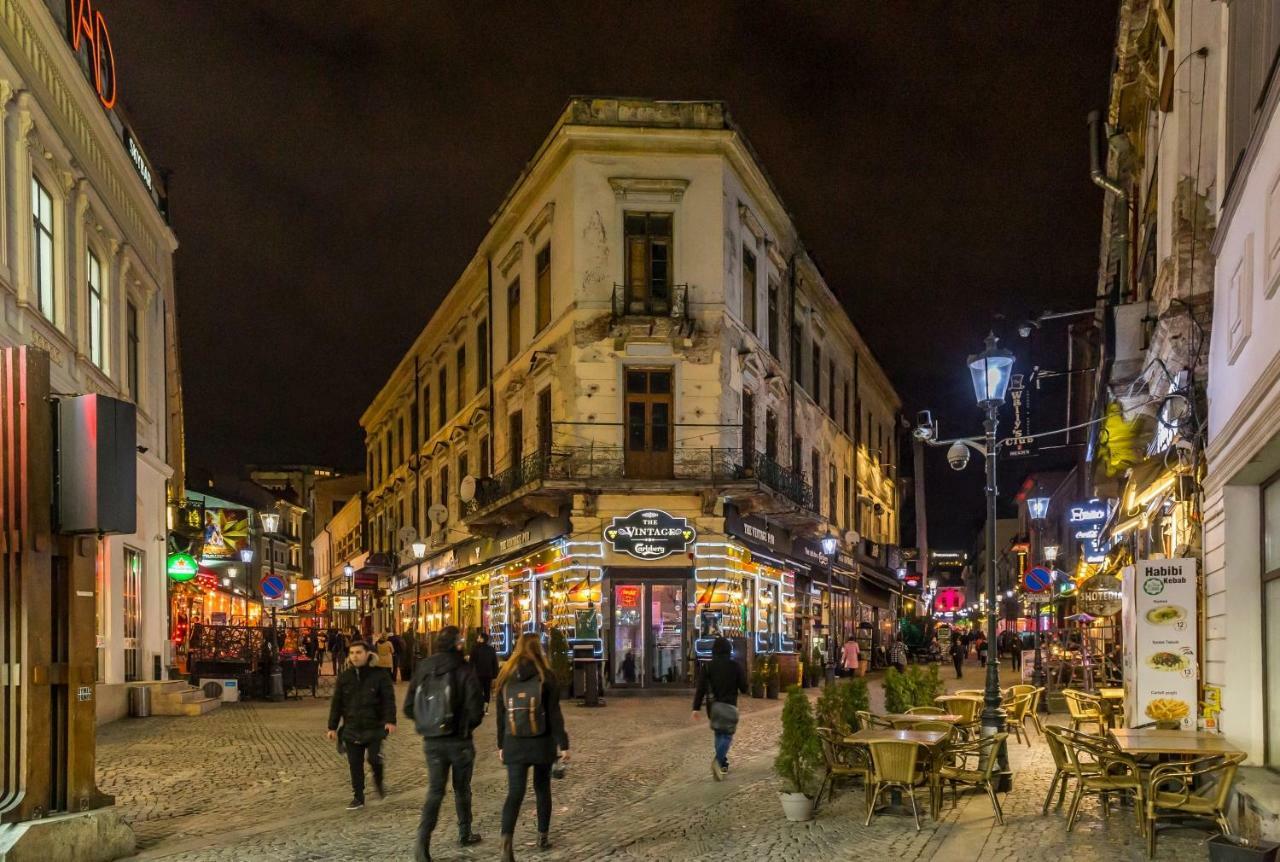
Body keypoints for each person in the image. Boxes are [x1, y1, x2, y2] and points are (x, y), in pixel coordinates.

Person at [405, 626, 485, 862]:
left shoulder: (424, 667)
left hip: (433, 742)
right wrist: (465, 727)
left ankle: (422, 841)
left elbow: (410, 706)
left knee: (435, 791)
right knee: (462, 788)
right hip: (459, 740)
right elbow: (476, 707)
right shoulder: (463, 667)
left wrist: (429, 723)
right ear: (458, 644)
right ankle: (464, 831)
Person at [495, 632, 570, 861]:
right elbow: (554, 714)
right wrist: (563, 744)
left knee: (515, 792)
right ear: (540, 649)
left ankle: (506, 841)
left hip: (514, 741)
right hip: (542, 741)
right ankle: (542, 836)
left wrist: (501, 744)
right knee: (541, 788)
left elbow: (501, 714)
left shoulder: (506, 675)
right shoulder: (546, 676)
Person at [326, 641, 396, 810]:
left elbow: (388, 699)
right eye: (352, 653)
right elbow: (337, 703)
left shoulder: (379, 675)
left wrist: (390, 720)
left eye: (358, 652)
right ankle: (358, 796)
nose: (355, 656)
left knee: (373, 758)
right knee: (355, 764)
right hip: (352, 727)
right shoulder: (345, 677)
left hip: (374, 726)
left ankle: (378, 781)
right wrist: (332, 727)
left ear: (367, 654)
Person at [691, 637, 748, 780]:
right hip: (729, 705)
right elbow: (744, 688)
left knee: (718, 733)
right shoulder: (735, 666)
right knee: (727, 735)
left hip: (713, 706)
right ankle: (718, 760)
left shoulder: (708, 667)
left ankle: (722, 763)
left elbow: (701, 689)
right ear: (729, 650)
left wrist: (696, 708)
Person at [469, 631, 500, 709]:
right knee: (487, 691)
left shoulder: (475, 649)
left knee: (478, 691)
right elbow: (494, 663)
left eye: (479, 637)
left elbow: (471, 662)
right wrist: (495, 675)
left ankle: (479, 707)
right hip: (488, 674)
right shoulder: (491, 649)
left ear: (482, 639)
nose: (477, 638)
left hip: (477, 674)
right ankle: (486, 707)